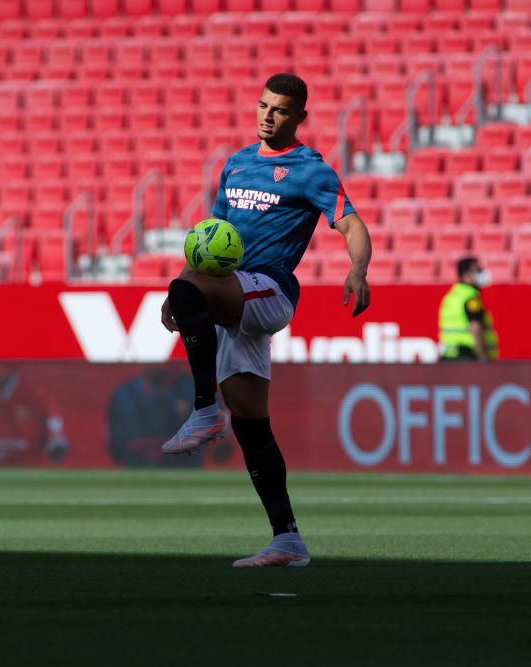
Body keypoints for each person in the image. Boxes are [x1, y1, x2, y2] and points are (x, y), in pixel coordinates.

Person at [159, 73, 372, 567]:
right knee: (253, 426)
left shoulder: (310, 170)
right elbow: (209, 238)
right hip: (234, 292)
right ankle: (288, 539)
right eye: (262, 105)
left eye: (279, 109)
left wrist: (357, 269)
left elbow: (352, 224)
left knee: (188, 293)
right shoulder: (235, 165)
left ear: (299, 117)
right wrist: (182, 287)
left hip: (270, 288)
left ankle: (203, 410)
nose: (266, 115)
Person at [107, 366, 232, 468]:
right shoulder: (124, 393)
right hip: (139, 462)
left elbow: (219, 427)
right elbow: (115, 441)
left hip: (185, 462)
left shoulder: (191, 387)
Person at [438, 256, 499, 362]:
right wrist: (483, 357)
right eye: (478, 270)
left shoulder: (452, 296)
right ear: (466, 275)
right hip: (467, 357)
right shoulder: (471, 298)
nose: (482, 273)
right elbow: (476, 328)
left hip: (449, 356)